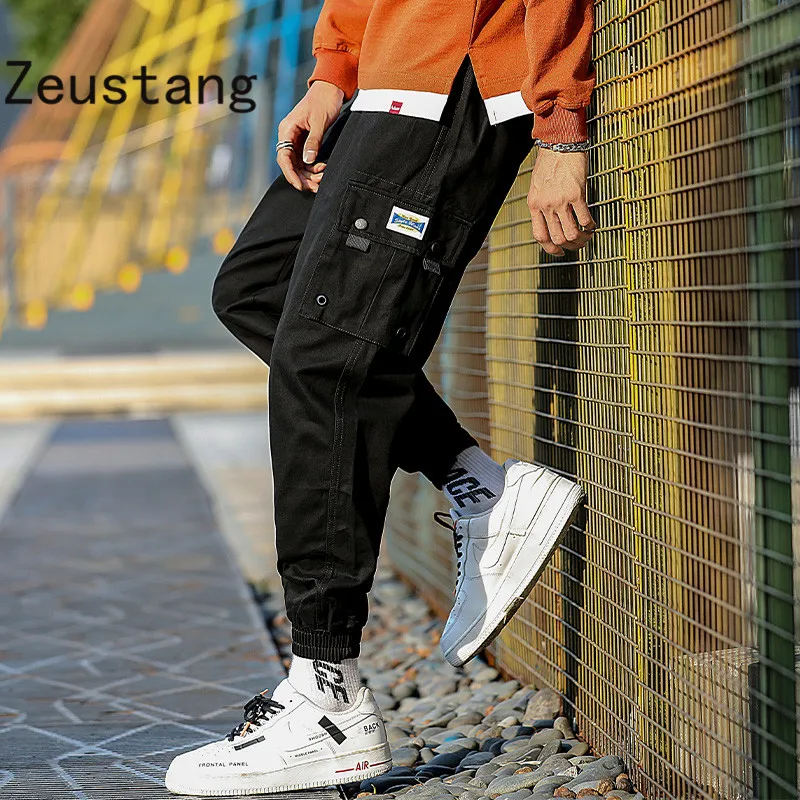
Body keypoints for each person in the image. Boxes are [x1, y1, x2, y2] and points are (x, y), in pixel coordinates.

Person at [166, 0, 595, 794]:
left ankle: (327, 694)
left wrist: (561, 128)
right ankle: (479, 483)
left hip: (456, 75)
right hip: (389, 72)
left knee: (322, 361)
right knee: (256, 290)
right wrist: (334, 70)